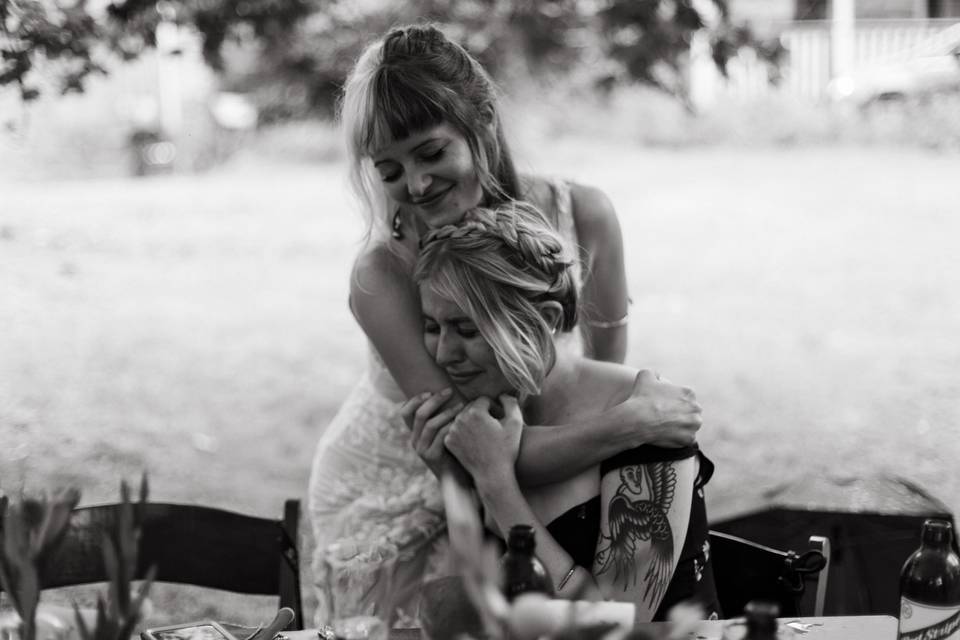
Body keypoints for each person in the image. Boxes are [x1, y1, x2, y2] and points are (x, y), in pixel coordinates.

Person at [307, 23, 703, 626]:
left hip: (520, 486)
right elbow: (474, 447)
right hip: (404, 494)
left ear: (483, 121)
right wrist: (633, 424)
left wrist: (624, 435)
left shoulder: (583, 216)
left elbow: (590, 396)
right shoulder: (381, 275)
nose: (414, 185)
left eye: (432, 152)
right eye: (388, 171)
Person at [407, 203, 720, 621]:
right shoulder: (490, 421)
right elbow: (487, 600)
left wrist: (496, 485)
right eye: (432, 327)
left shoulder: (649, 419)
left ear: (547, 320)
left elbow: (611, 625)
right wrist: (452, 478)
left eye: (468, 330)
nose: (445, 354)